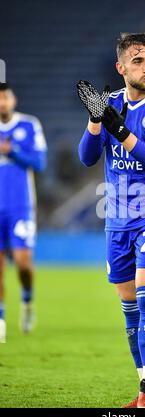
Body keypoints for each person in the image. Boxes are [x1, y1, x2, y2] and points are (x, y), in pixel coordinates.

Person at [77, 33, 145, 408]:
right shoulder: (107, 104)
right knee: (129, 308)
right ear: (121, 68)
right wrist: (96, 121)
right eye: (138, 62)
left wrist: (118, 128)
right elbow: (88, 158)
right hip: (118, 217)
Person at [0, 82, 47, 343]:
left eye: (5, 97)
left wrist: (13, 151)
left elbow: (39, 163)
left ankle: (27, 300)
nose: (2, 103)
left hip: (20, 207)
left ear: (13, 99)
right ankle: (1, 319)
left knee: (22, 263)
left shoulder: (29, 125)